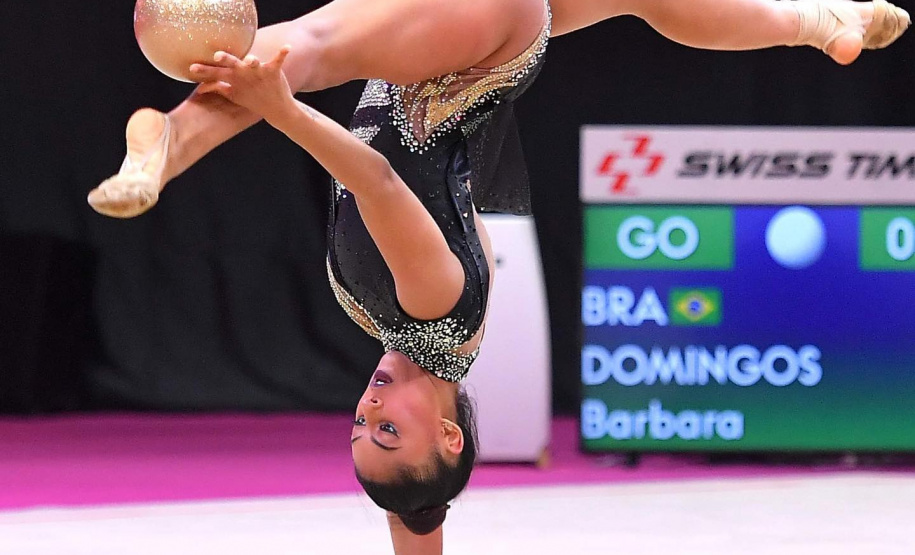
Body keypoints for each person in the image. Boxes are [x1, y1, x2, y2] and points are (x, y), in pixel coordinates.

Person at [86, 0, 909, 551]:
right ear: (450, 433)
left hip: (482, 40)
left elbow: (417, 504)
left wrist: (418, 526)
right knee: (308, 51)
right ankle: (165, 149)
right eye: (388, 429)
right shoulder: (435, 312)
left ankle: (814, 20)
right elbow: (376, 181)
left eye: (357, 429)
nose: (366, 409)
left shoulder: (412, 336)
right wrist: (281, 111)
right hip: (453, 57)